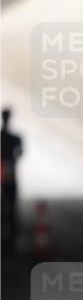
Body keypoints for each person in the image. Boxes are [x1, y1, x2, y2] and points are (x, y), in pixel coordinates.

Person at [1, 107, 23, 253]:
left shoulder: (12, 138)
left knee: (9, 207)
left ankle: (9, 238)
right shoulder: (14, 138)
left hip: (7, 175)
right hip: (9, 175)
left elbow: (20, 153)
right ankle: (11, 239)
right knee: (11, 206)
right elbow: (20, 153)